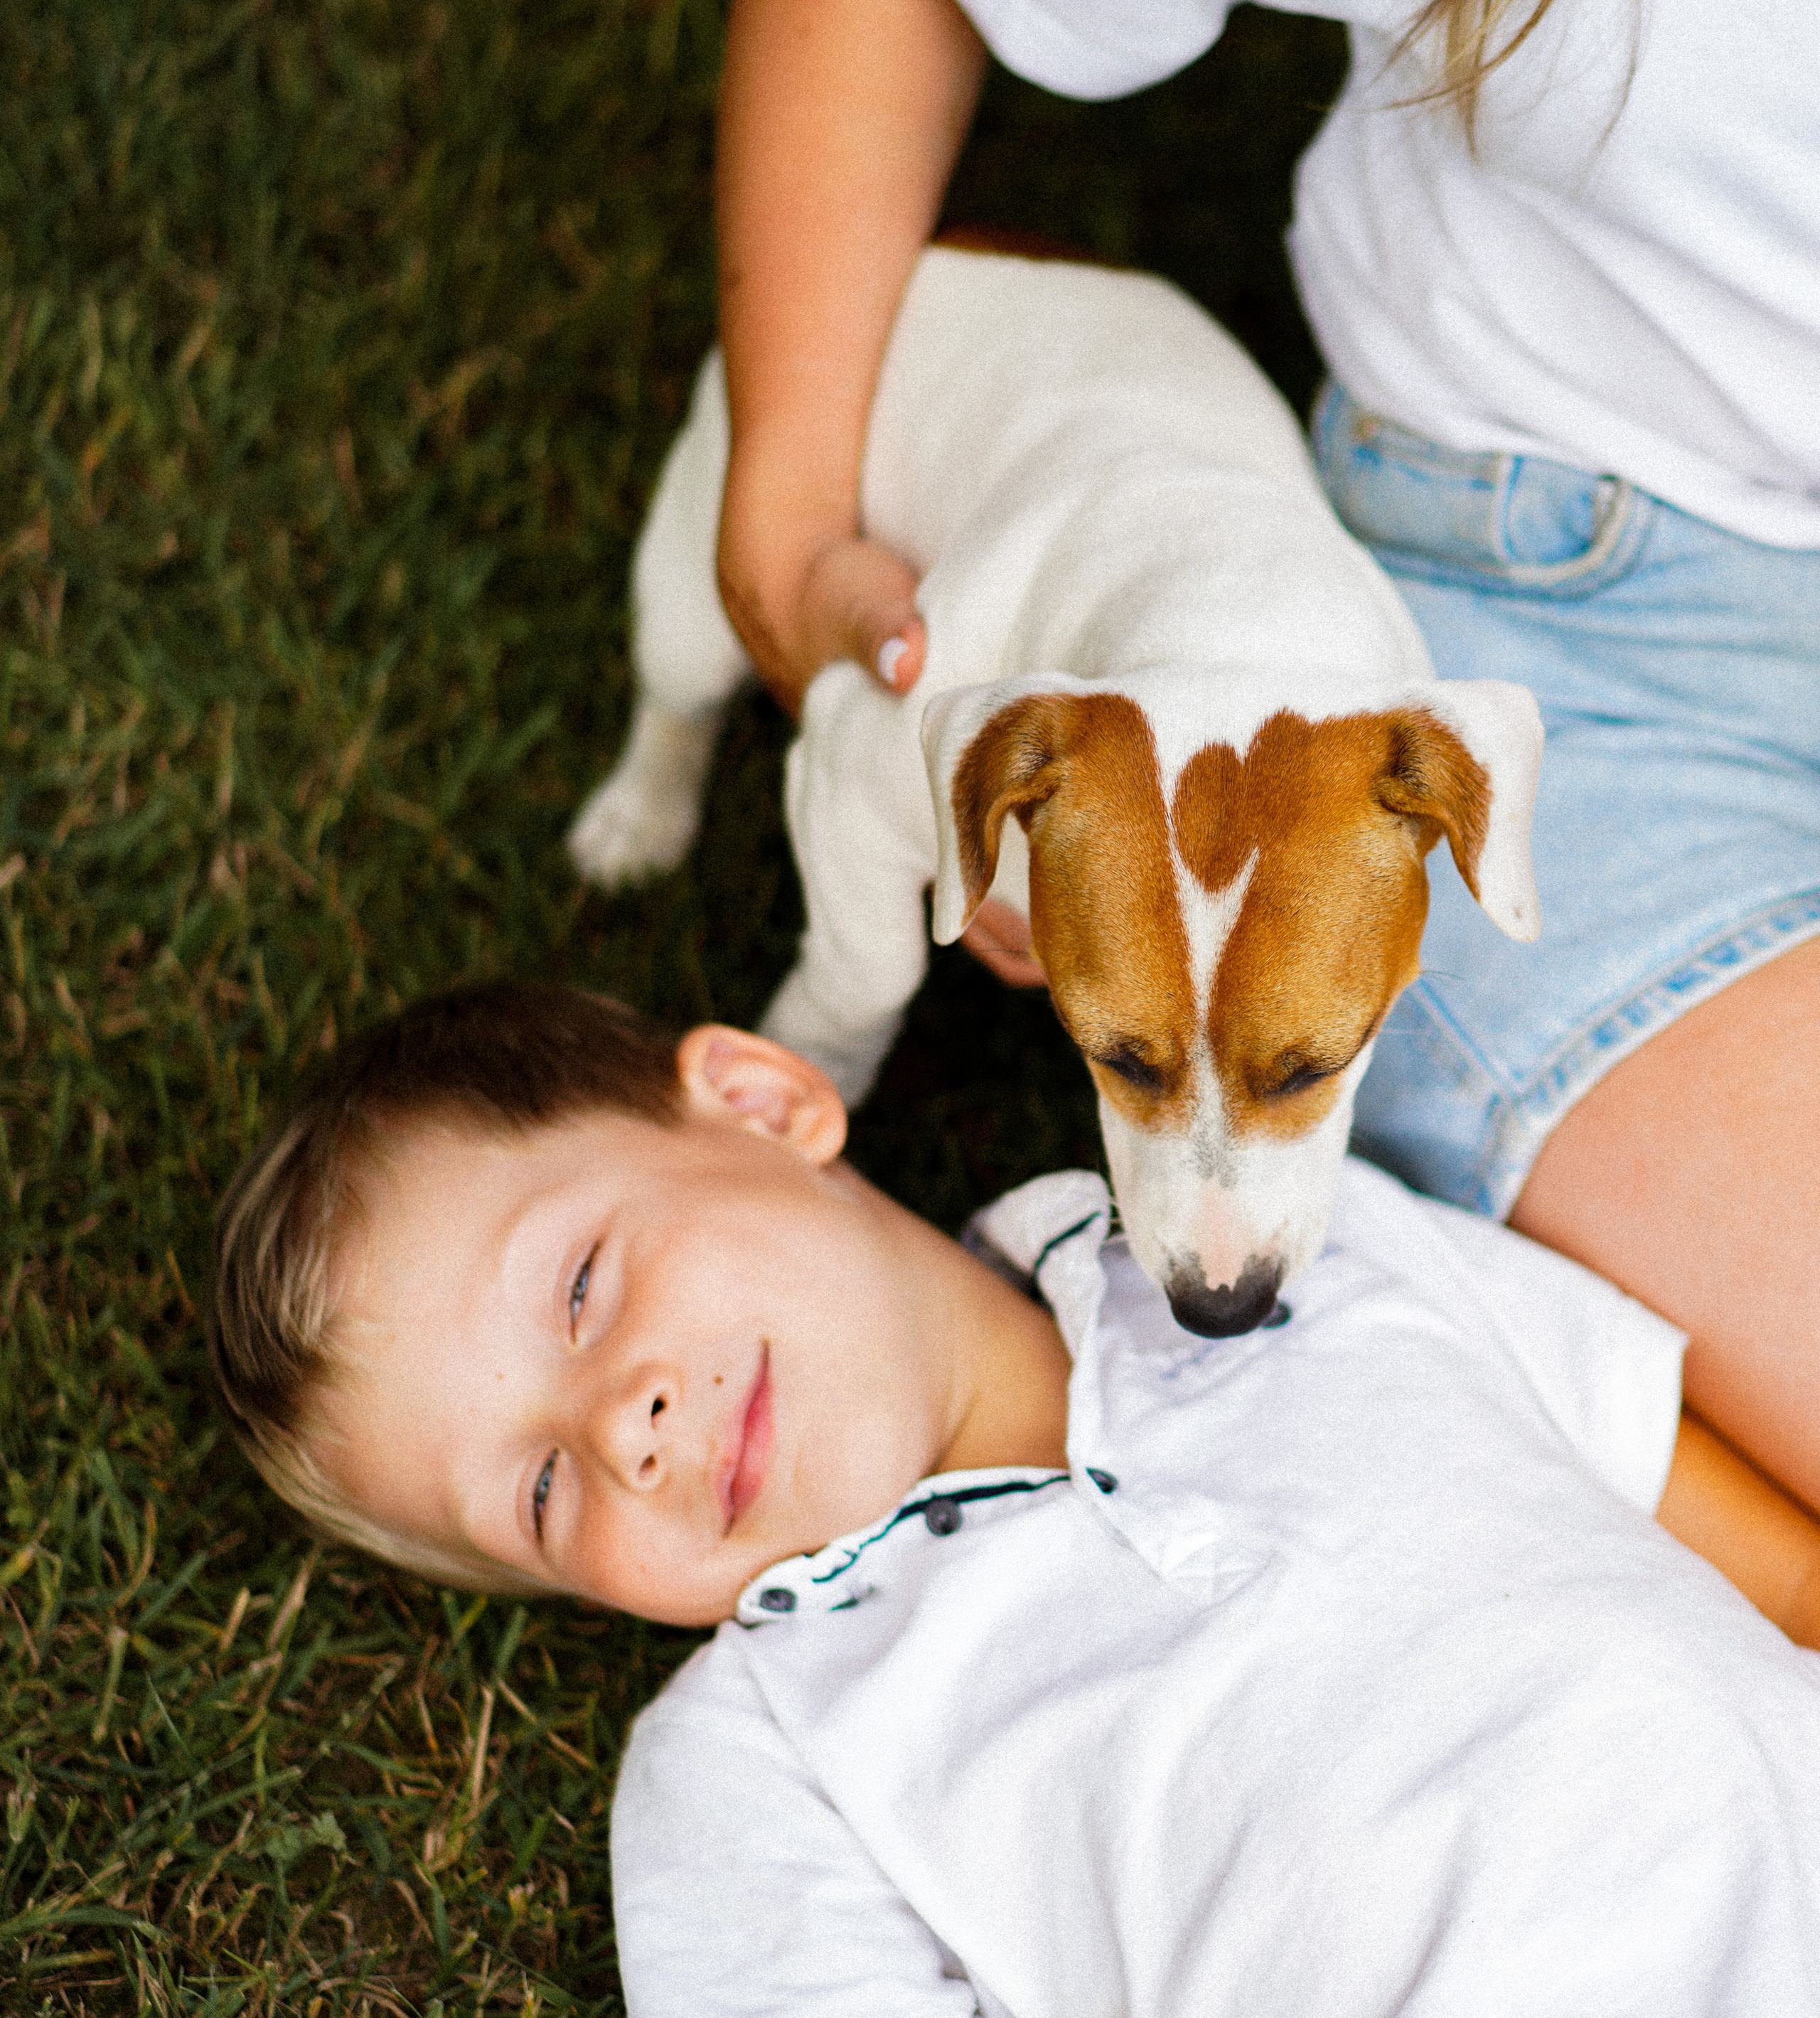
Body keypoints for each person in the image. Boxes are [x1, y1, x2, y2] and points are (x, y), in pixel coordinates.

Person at [710, 0, 1820, 1515]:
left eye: (1297, 1066)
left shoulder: (1380, 763)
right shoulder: (1180, 739)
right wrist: (778, 526)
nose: (1207, 1253)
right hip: (1568, 579)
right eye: (1126, 1056)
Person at [209, 981, 1820, 2012]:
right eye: (546, 1492)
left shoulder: (1286, 1240)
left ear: (766, 1109)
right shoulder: (761, 1764)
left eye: (578, 1288)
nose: (624, 1424)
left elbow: (1765, 1571)